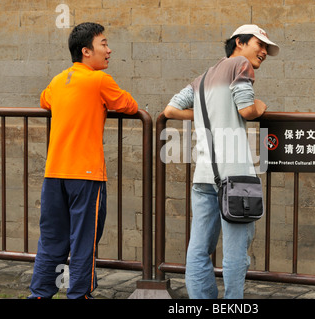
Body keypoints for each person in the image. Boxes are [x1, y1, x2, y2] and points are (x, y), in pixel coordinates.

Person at [163, 24, 279, 299]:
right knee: (236, 252)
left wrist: (206, 116)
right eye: (259, 45)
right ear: (239, 42)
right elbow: (247, 109)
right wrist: (261, 106)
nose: (263, 52)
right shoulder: (240, 64)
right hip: (236, 177)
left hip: (204, 176)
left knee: (199, 249)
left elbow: (170, 109)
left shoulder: (203, 78)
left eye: (266, 48)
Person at [28, 22, 138, 299]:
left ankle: (40, 294)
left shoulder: (57, 80)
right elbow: (130, 106)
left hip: (54, 173)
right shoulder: (100, 81)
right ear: (86, 51)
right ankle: (79, 295)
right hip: (86, 175)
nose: (109, 50)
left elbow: (45, 101)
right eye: (104, 44)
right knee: (83, 241)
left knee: (52, 239)